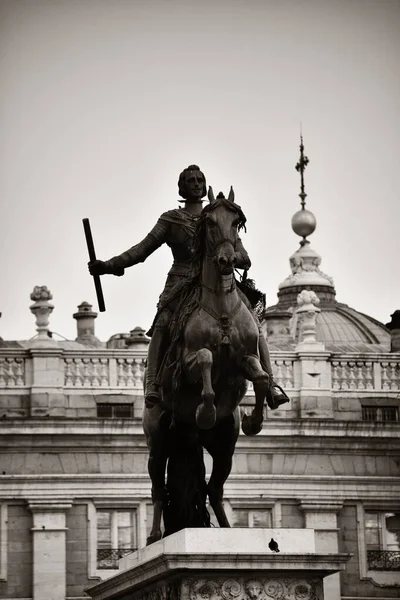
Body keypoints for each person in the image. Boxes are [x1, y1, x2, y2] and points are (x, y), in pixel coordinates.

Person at [89, 165, 289, 410]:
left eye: (200, 179)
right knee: (163, 321)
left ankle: (270, 384)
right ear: (182, 187)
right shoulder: (171, 218)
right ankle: (152, 382)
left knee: (253, 325)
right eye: (191, 180)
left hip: (219, 282)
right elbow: (141, 251)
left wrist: (233, 258)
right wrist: (109, 265)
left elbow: (244, 256)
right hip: (181, 282)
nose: (196, 183)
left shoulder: (217, 216)